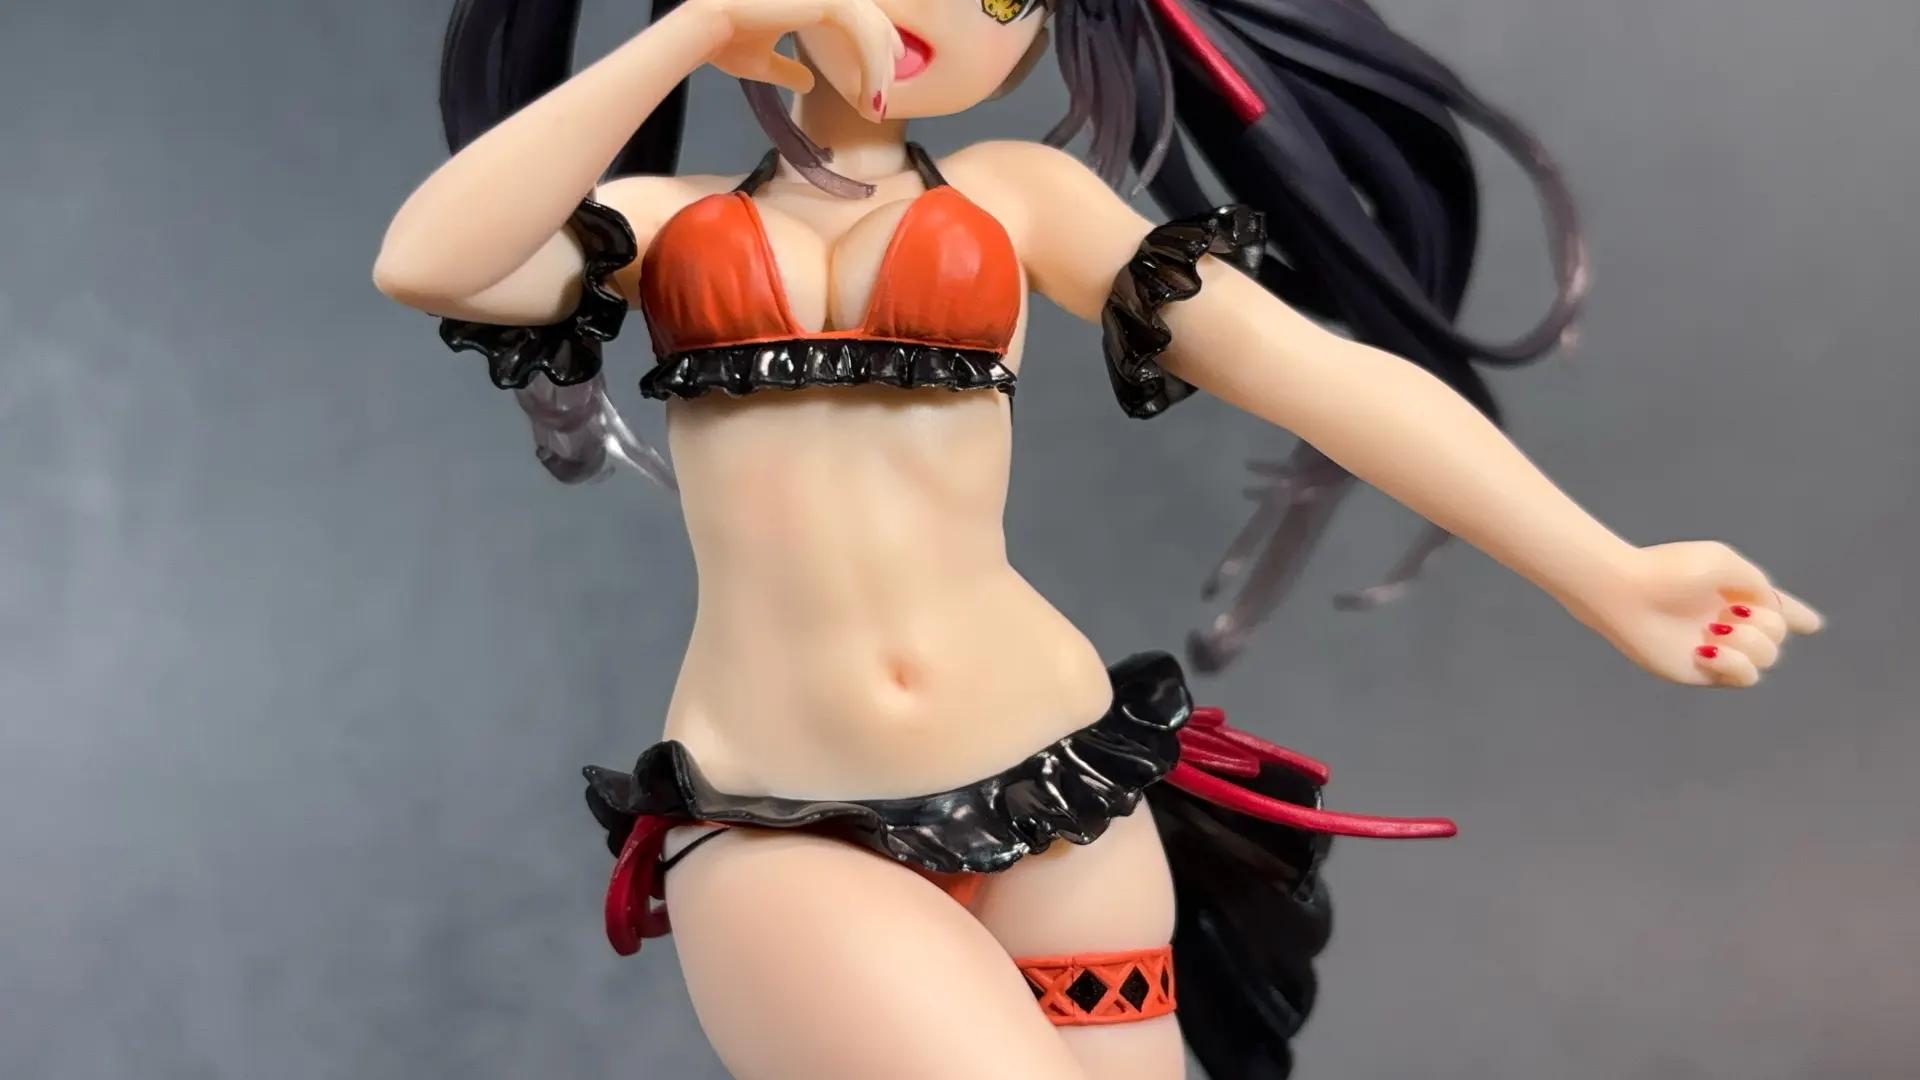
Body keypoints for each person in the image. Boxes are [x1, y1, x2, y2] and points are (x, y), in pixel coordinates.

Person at [372, 0, 1824, 1075]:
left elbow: (1322, 376)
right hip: (775, 821)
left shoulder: (1020, 199)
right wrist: (690, 31)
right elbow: (429, 259)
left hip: (1061, 796)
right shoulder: (654, 220)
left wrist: (1601, 569)